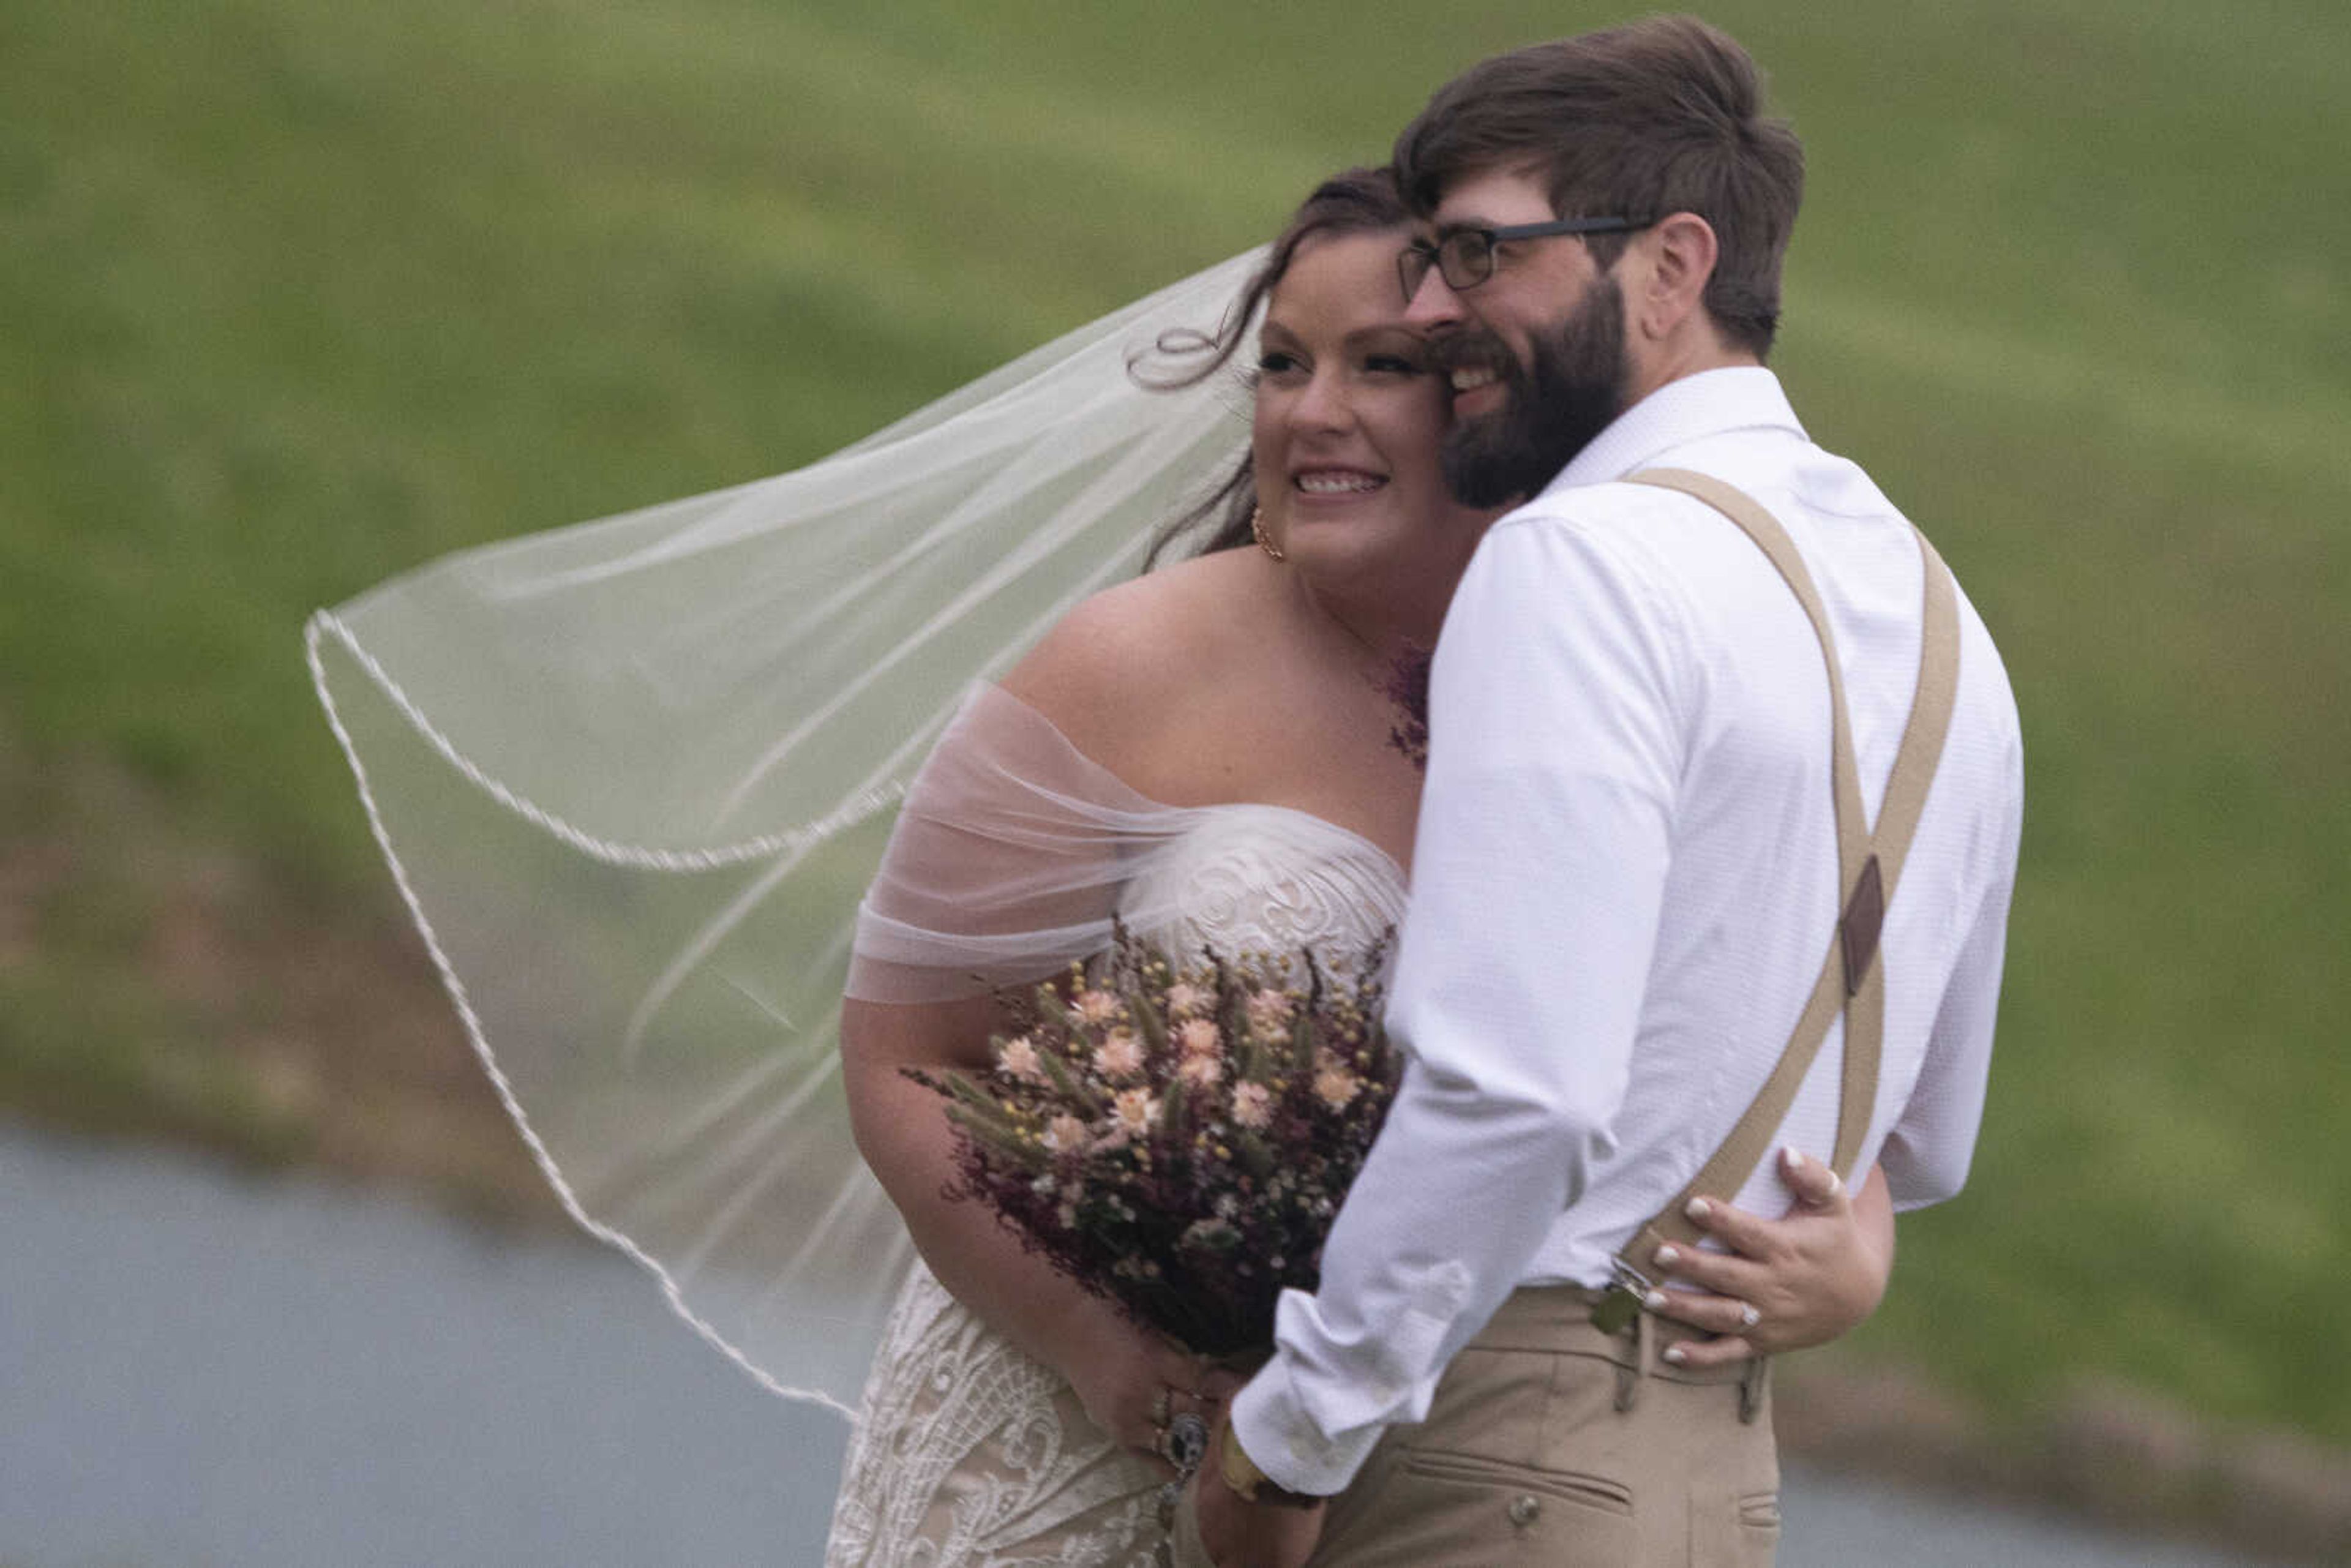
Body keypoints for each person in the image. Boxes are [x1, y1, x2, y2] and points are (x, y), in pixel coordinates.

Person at [830, 167, 1902, 1568]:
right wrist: (1107, 1355)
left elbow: (1739, 1022)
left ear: (1490, 398)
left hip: (1426, 1490)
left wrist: (1853, 1248)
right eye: (1282, 363)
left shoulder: (1614, 690)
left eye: (1381, 365)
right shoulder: (1130, 666)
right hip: (1064, 1456)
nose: (1309, 410)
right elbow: (907, 1059)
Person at [1187, 20, 2024, 1568]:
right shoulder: (1948, 621)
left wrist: (1286, 1443)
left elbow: (1520, 1091)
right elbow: (1930, 1140)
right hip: (1713, 1483)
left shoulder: (1581, 563)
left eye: (1479, 256)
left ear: (1669, 265)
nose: (1435, 312)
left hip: (1488, 1457)